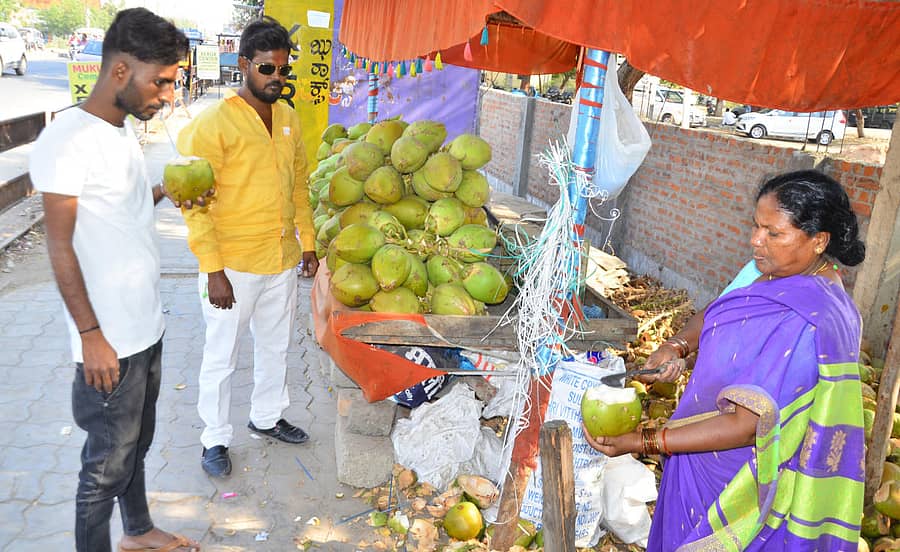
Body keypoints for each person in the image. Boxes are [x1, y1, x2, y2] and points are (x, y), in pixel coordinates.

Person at [585, 170, 867, 551]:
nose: (755, 241)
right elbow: (723, 309)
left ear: (818, 240)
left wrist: (642, 441)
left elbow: (745, 424)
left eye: (773, 233)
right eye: (755, 226)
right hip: (696, 451)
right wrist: (678, 346)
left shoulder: (808, 317)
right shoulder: (768, 272)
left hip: (737, 486)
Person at [29, 8, 203, 552]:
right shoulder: (67, 140)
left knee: (135, 445)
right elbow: (60, 245)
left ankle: (139, 531)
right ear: (121, 71)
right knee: (103, 467)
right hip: (107, 341)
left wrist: (163, 194)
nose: (169, 94)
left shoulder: (120, 130)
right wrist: (90, 335)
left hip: (144, 326)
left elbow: (122, 213)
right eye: (163, 81)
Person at [175, 17, 319, 478]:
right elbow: (193, 203)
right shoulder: (213, 124)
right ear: (243, 65)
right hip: (231, 266)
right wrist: (213, 269)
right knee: (222, 356)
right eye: (266, 69)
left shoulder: (290, 120)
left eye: (283, 70)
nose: (276, 78)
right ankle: (214, 439)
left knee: (276, 347)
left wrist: (309, 243)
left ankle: (266, 417)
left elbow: (300, 188)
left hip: (280, 258)